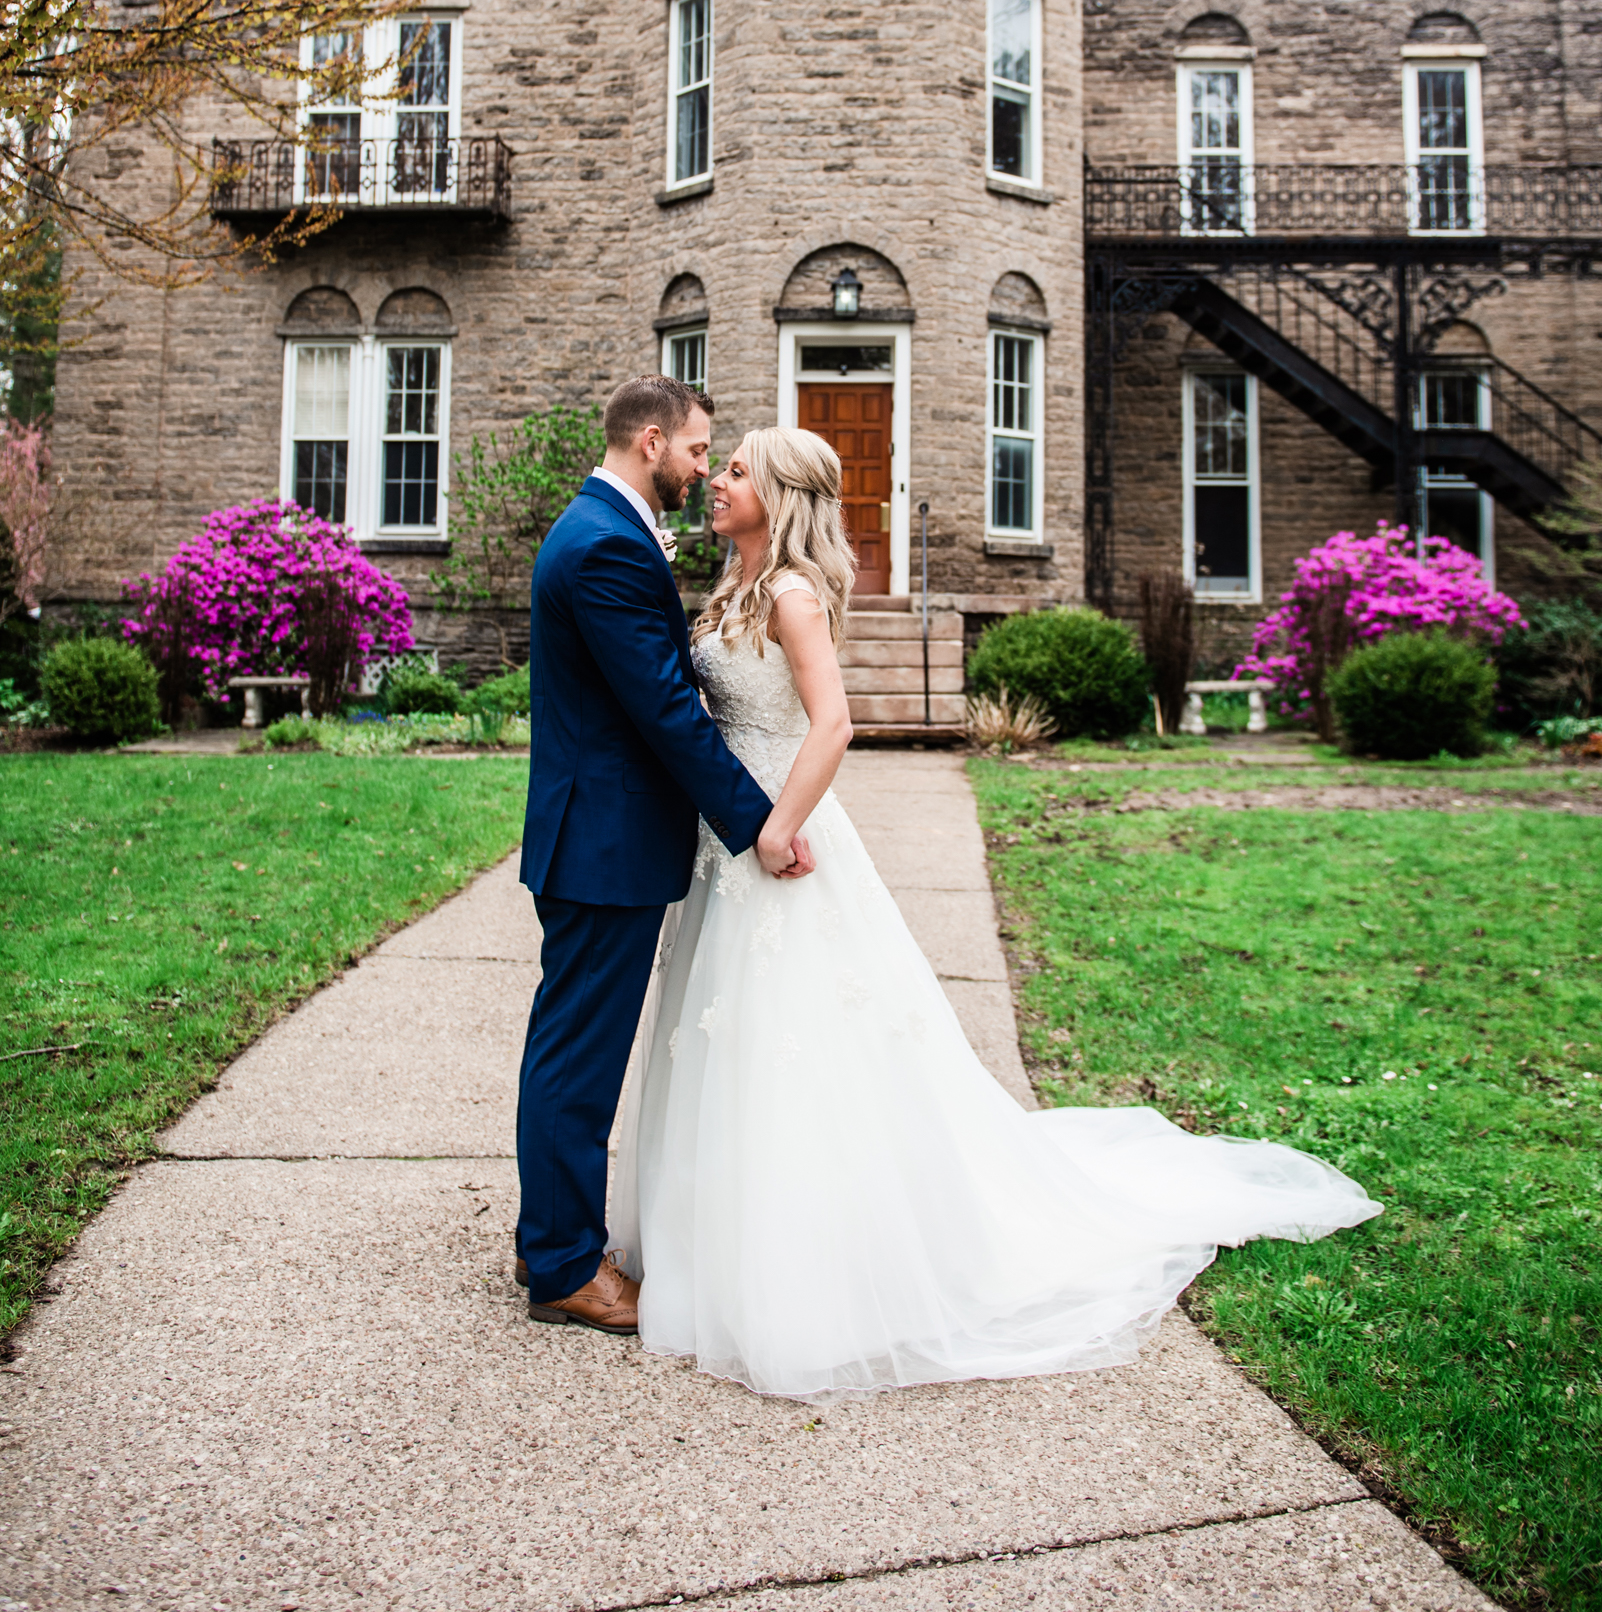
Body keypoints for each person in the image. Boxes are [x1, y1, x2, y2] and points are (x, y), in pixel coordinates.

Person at [609, 424, 1382, 1399]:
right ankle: (716, 1233)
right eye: (716, 466)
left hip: (779, 843)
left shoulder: (794, 597)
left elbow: (836, 722)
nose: (714, 481)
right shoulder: (732, 592)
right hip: (724, 848)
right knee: (727, 1041)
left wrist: (778, 826)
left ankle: (812, 1256)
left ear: (780, 494)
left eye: (733, 470)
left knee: (796, 1043)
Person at [514, 376, 811, 1337]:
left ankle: (562, 1241)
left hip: (604, 834)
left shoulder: (610, 529)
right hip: (603, 842)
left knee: (577, 1046)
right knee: (578, 1056)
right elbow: (666, 711)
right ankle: (562, 1264)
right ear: (652, 441)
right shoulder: (603, 544)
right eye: (696, 450)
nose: (701, 468)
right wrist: (757, 819)